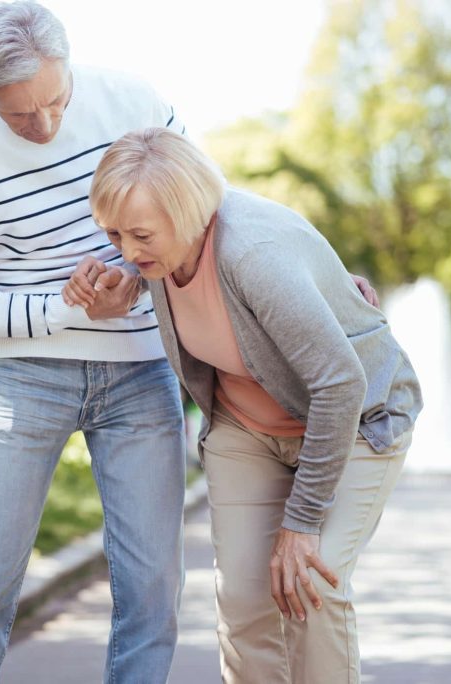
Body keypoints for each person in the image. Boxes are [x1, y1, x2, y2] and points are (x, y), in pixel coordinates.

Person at [64, 127, 422, 684]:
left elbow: (340, 385)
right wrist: (126, 279)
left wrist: (301, 522)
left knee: (311, 583)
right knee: (242, 599)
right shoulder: (162, 250)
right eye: (114, 234)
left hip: (356, 419)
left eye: (140, 236)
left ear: (187, 213)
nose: (127, 249)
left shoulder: (252, 254)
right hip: (247, 425)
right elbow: (160, 265)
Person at [0, 3, 189, 682]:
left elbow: (202, 217)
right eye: (19, 115)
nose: (44, 125)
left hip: (140, 372)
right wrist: (64, 309)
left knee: (153, 588)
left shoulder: (135, 102)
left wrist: (134, 281)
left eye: (55, 101)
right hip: (20, 380)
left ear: (68, 64)